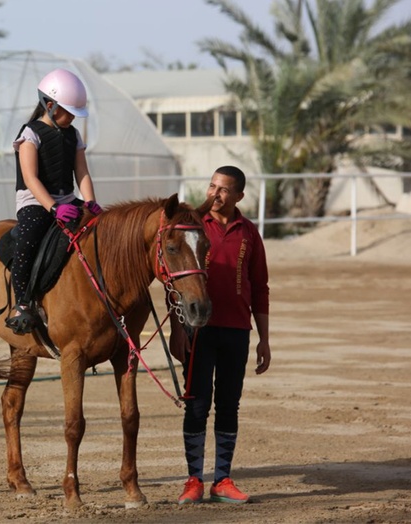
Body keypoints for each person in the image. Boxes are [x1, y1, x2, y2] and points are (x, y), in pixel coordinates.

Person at [170, 165, 271, 505]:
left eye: (224, 189)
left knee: (229, 405)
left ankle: (223, 480)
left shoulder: (249, 232)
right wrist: (177, 329)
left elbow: (260, 287)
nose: (215, 193)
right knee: (197, 406)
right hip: (199, 331)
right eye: (212, 186)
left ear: (239, 196)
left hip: (238, 331)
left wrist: (264, 339)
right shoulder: (193, 227)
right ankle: (194, 480)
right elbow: (176, 284)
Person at [4, 68, 103, 335]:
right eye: (68, 112)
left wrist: (90, 201)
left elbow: (81, 172)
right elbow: (30, 177)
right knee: (29, 239)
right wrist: (54, 207)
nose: (72, 118)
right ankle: (22, 304)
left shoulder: (73, 135)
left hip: (69, 200)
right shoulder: (30, 134)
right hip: (35, 202)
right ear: (49, 105)